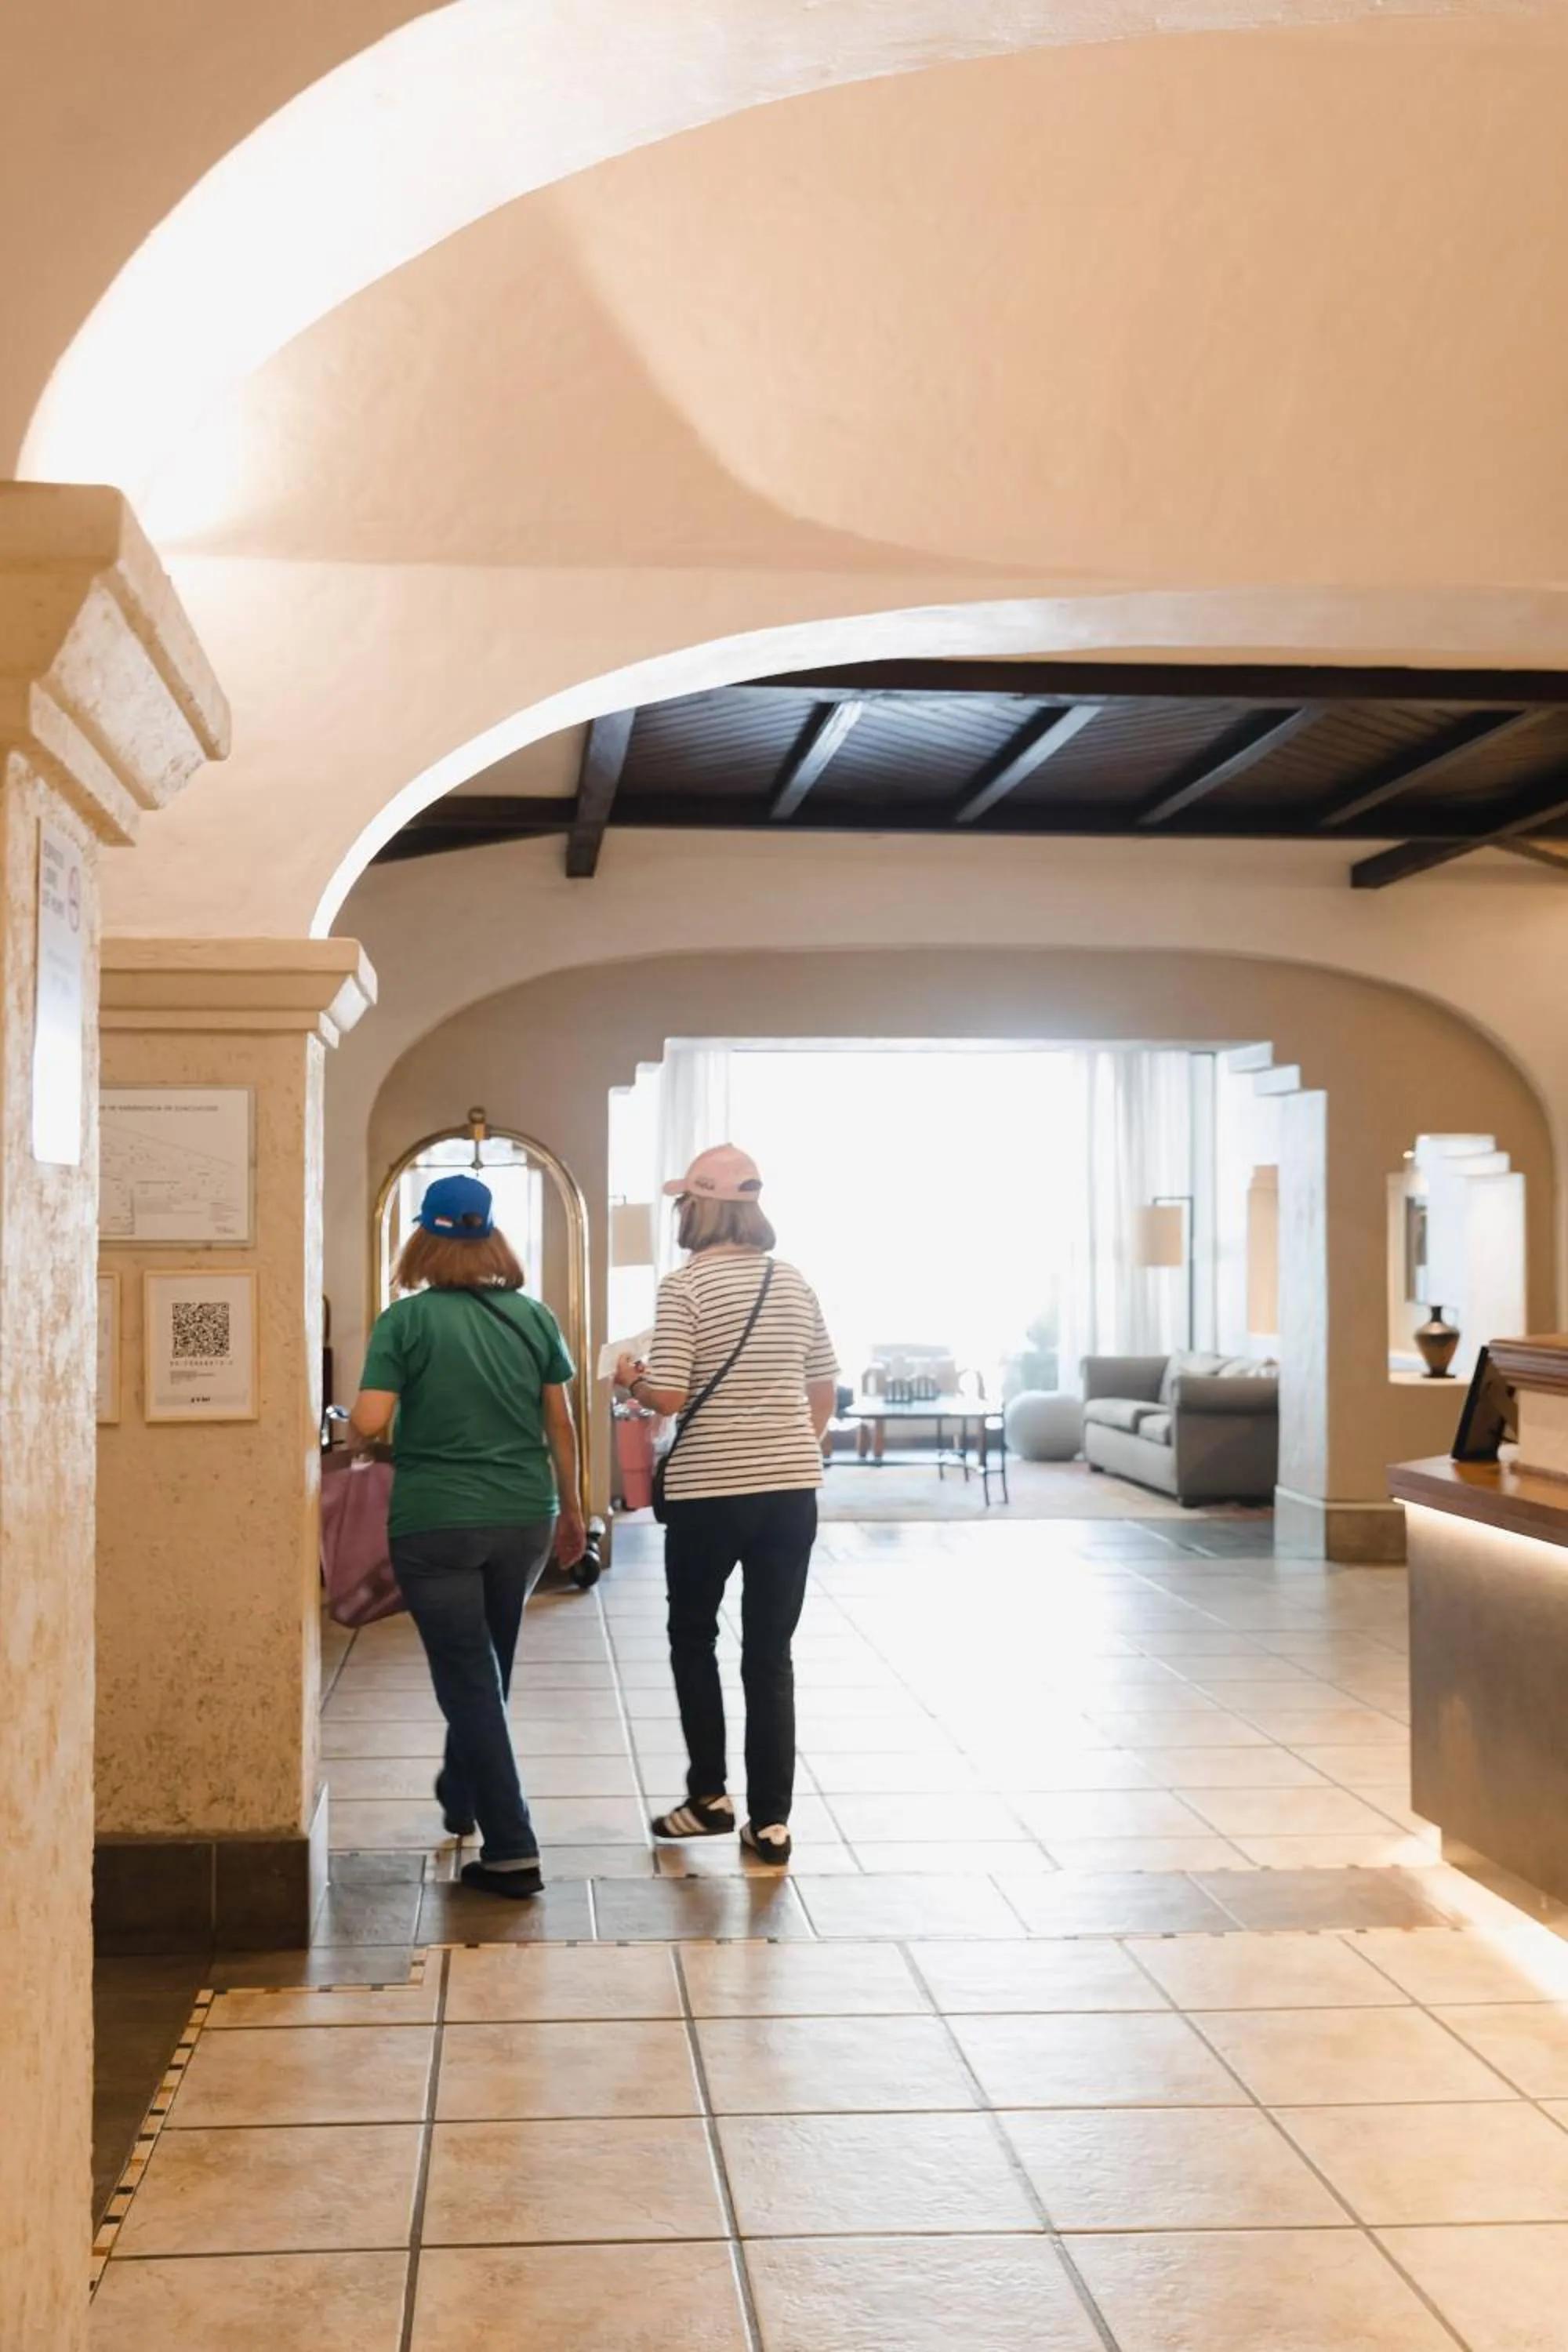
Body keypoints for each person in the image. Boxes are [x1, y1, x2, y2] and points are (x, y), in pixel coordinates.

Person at [351, 1171, 586, 1898]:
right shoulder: (534, 1317)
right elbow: (562, 1424)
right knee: (485, 1670)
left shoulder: (404, 1323)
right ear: (490, 1236)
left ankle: (512, 1848)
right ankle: (461, 1790)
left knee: (468, 1675)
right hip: (525, 1517)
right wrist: (573, 1510)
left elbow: (367, 1422)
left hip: (438, 1520)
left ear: (423, 1237)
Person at [617, 1145, 837, 1866]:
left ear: (697, 1207)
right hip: (790, 1494)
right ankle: (771, 1823)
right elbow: (822, 1386)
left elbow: (672, 1393)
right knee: (771, 1655)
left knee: (693, 1638)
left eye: (684, 1200)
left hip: (711, 1494)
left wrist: (630, 1381)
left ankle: (708, 1797)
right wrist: (784, 1450)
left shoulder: (686, 1288)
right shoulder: (794, 1281)